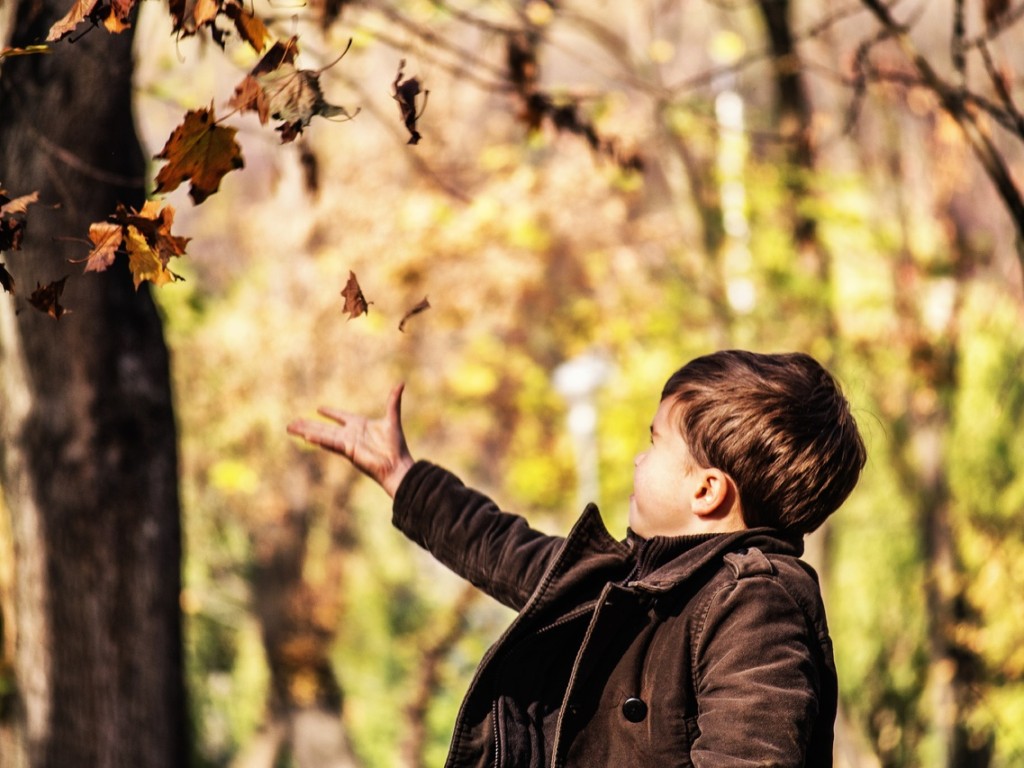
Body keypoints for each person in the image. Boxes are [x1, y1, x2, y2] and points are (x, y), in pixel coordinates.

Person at [286, 350, 866, 767]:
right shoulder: (633, 582)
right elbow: (503, 549)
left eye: (654, 442)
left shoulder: (755, 602)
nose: (638, 461)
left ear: (707, 491)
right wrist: (402, 477)